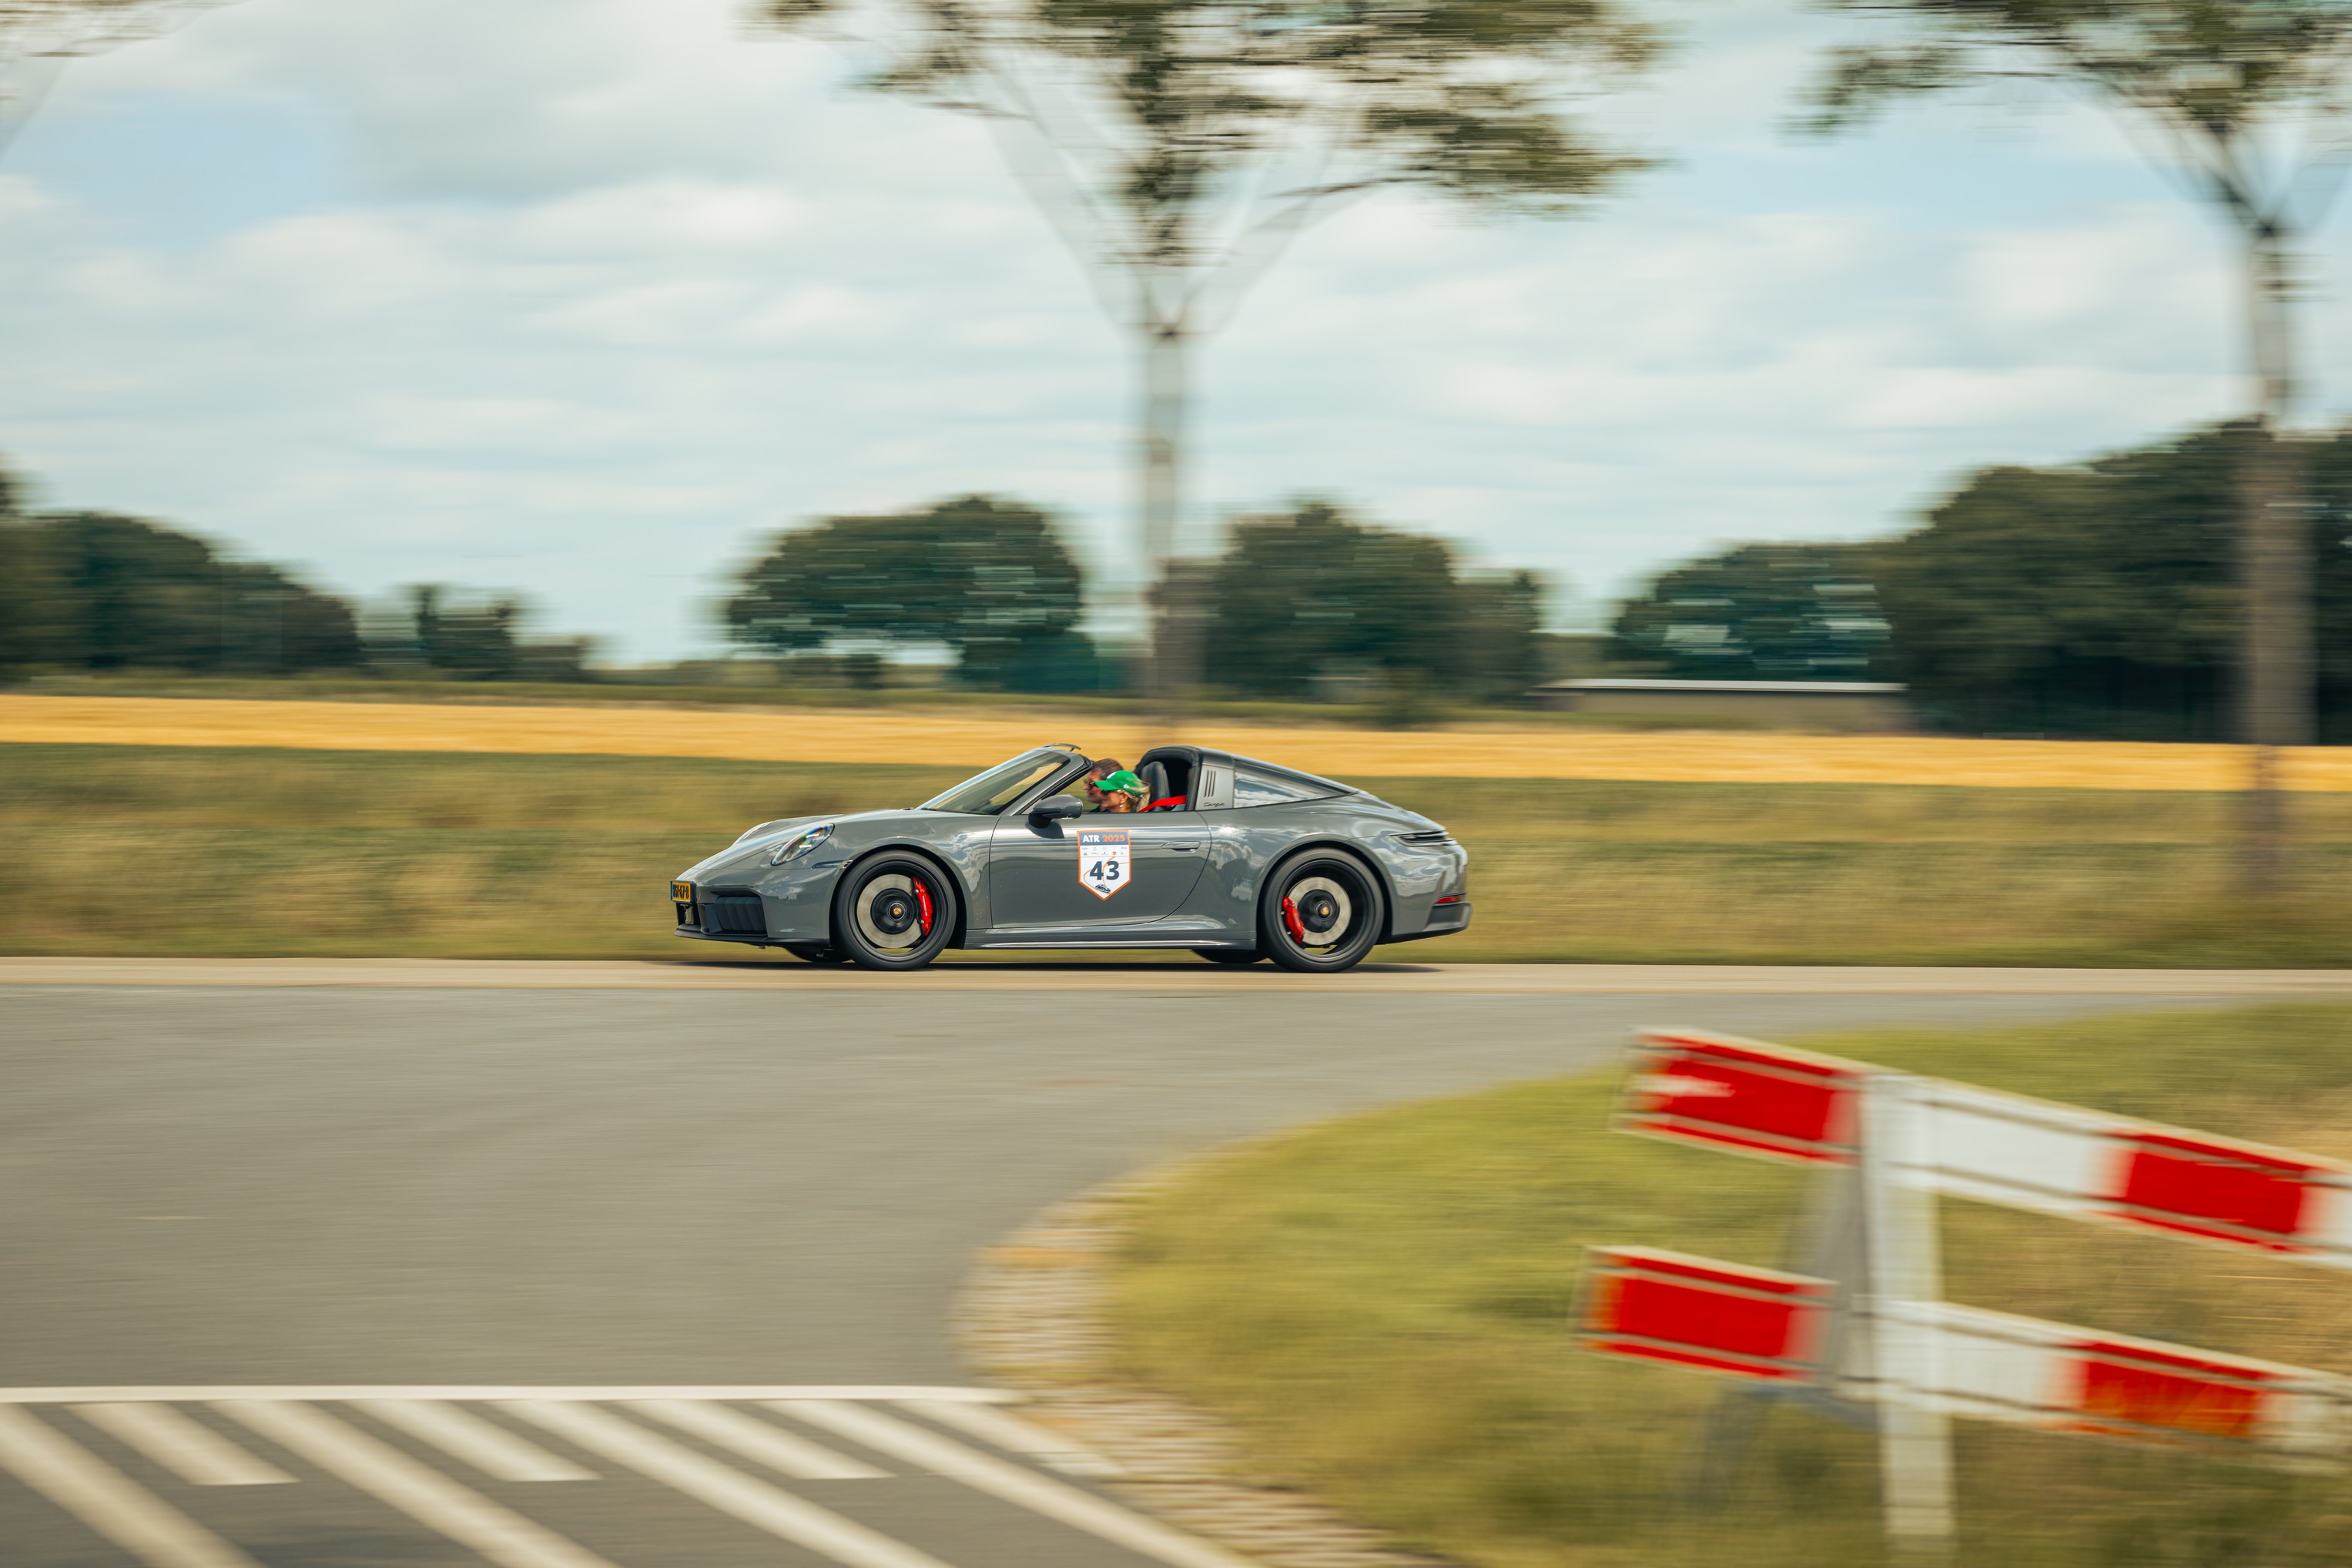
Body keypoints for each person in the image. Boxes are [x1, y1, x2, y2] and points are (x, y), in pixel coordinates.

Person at [1084, 759, 1148, 813]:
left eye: (1106, 791)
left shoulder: (1122, 821)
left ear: (1123, 797)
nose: (1102, 794)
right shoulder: (1101, 815)